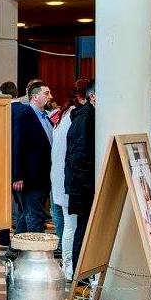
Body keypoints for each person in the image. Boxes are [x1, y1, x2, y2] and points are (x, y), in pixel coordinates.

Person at [51, 79, 90, 279]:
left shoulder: (64, 114)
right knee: (71, 226)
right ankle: (69, 267)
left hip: (60, 178)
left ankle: (69, 266)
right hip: (70, 180)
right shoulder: (77, 117)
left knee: (68, 224)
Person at [12, 81, 53, 233]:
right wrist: (17, 176)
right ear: (35, 97)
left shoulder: (46, 117)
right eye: (46, 93)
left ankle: (17, 246)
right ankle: (35, 247)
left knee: (26, 216)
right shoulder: (25, 115)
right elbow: (17, 145)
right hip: (30, 178)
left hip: (43, 177)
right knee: (34, 217)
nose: (50, 96)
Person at [65, 80, 96, 271]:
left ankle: (83, 272)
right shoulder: (85, 118)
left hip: (85, 185)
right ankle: (79, 273)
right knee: (83, 229)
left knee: (86, 229)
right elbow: (78, 156)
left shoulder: (90, 116)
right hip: (84, 187)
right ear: (93, 96)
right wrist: (89, 185)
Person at [0, 81, 20, 247]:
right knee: (20, 203)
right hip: (18, 163)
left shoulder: (1, 111)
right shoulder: (25, 111)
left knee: (2, 203)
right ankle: (19, 238)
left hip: (2, 163)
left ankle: (4, 236)